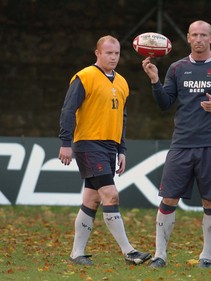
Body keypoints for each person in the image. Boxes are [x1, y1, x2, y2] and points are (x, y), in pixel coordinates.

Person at [141, 20, 211, 269]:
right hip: (181, 144)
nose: (199, 39)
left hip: (210, 144)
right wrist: (155, 81)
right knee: (168, 198)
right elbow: (165, 103)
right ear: (188, 38)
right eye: (194, 35)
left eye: (203, 35)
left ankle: (206, 257)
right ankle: (160, 255)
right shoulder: (177, 68)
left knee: (210, 201)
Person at [58, 35, 151, 266]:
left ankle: (76, 253)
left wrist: (121, 149)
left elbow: (122, 118)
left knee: (91, 200)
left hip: (110, 146)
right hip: (89, 143)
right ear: (97, 53)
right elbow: (68, 110)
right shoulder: (85, 77)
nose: (113, 57)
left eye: (117, 53)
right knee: (110, 194)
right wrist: (65, 142)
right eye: (108, 53)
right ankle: (129, 251)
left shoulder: (122, 82)